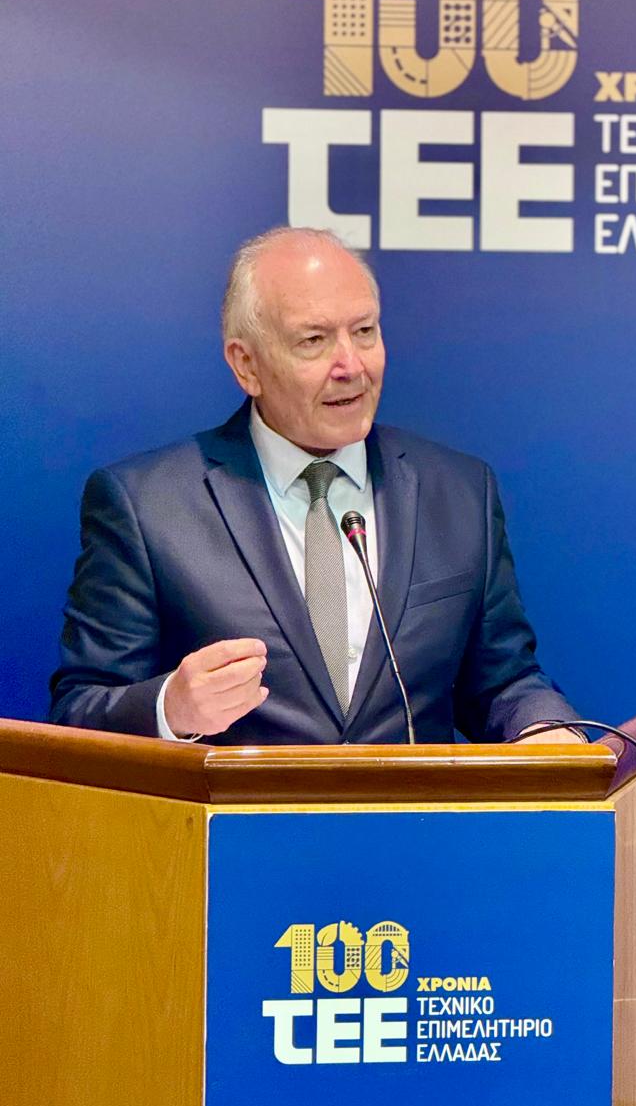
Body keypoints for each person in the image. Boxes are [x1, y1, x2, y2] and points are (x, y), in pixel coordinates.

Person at [49, 227, 587, 746]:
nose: (350, 365)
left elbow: (504, 679)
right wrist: (171, 708)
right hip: (240, 811)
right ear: (246, 365)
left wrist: (545, 729)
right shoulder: (148, 506)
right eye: (314, 340)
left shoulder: (461, 491)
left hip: (411, 811)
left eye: (364, 332)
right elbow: (79, 711)